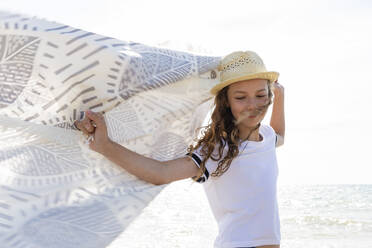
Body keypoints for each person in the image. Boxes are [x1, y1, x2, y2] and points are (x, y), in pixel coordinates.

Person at [74, 50, 285, 248]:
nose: (253, 105)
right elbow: (161, 173)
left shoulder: (266, 137)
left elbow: (280, 135)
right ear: (227, 102)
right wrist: (105, 146)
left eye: (260, 95)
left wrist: (280, 97)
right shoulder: (216, 150)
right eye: (240, 97)